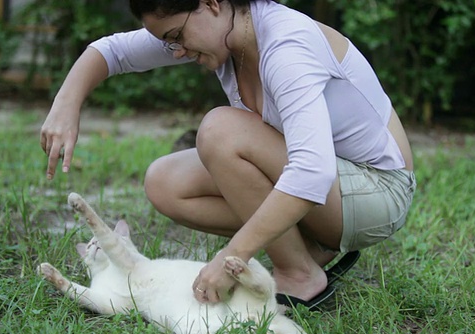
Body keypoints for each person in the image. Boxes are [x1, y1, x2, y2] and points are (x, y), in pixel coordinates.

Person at [40, 0, 416, 309]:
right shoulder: (221, 33)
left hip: (377, 190)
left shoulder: (285, 46)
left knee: (221, 131)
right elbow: (113, 51)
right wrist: (65, 105)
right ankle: (305, 253)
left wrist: (230, 259)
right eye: (169, 43)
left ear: (212, 4)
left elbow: (312, 172)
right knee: (165, 182)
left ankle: (299, 275)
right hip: (331, 186)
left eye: (177, 37)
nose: (178, 51)